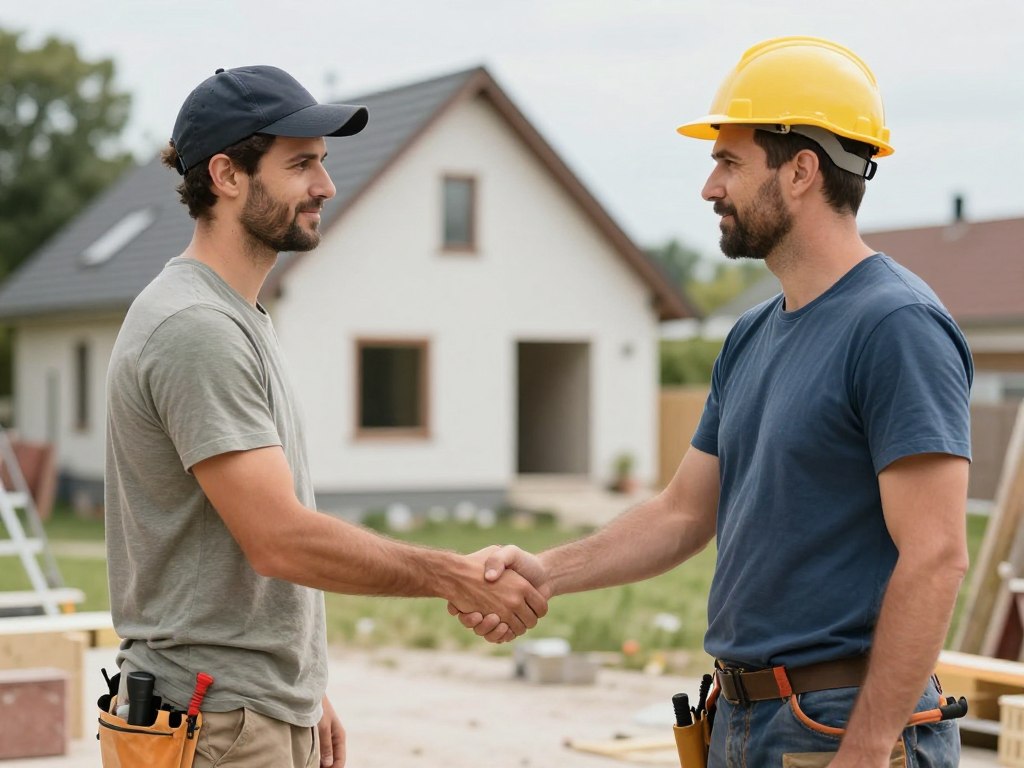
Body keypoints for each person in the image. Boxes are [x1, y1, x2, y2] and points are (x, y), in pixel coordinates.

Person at [453, 37, 972, 767]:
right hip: (742, 717)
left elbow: (937, 556)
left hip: (837, 726)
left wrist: (866, 748)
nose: (709, 187)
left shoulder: (895, 327)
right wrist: (545, 572)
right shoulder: (752, 334)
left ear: (800, 171)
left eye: (729, 162)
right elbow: (682, 514)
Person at [104, 65, 547, 768]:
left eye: (323, 161)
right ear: (226, 174)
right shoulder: (195, 328)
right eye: (301, 164)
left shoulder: (235, 317)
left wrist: (299, 686)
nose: (326, 186)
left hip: (247, 706)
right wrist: (449, 574)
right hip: (215, 721)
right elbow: (278, 539)